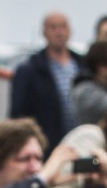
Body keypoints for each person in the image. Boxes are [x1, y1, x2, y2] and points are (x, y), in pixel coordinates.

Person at [8, 11, 78, 147]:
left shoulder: (82, 65)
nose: (59, 32)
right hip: (46, 144)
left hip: (80, 141)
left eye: (63, 27)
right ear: (44, 32)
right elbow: (18, 114)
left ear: (70, 31)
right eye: (53, 27)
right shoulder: (29, 69)